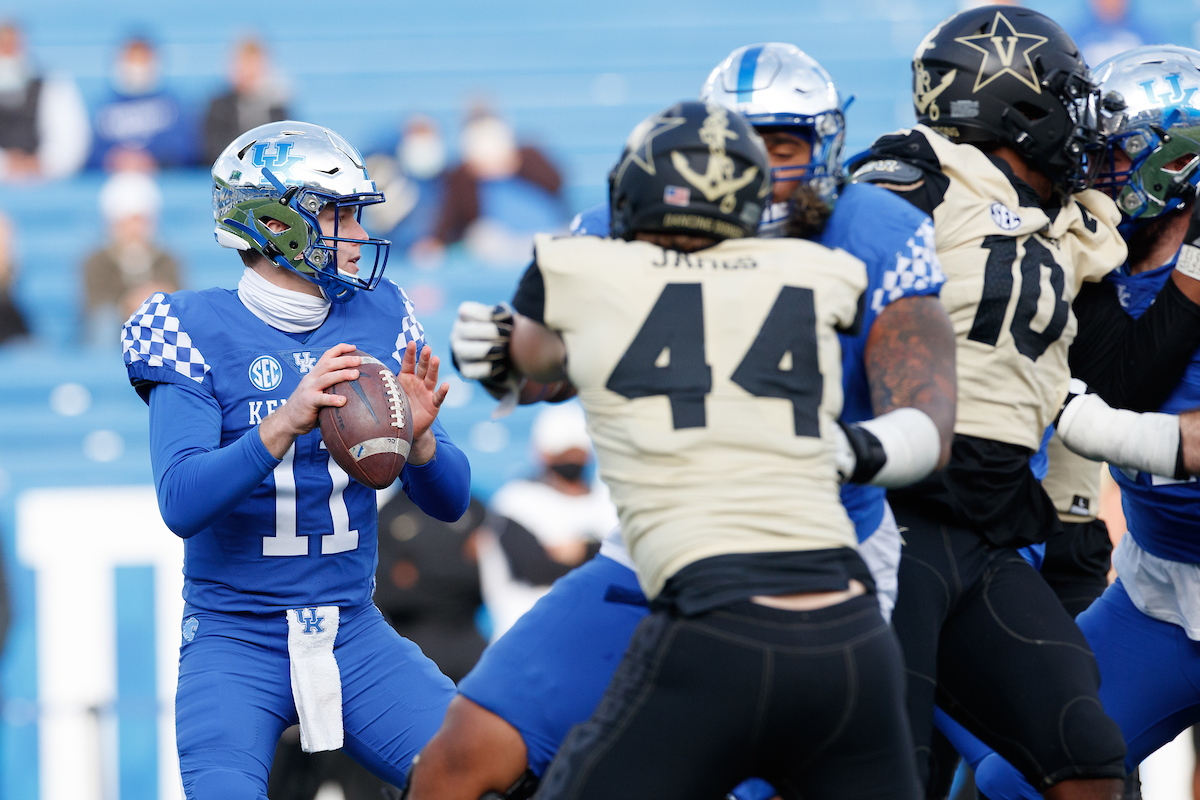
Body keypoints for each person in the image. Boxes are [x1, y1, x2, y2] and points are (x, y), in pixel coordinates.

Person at [411, 44, 956, 800]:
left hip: (821, 556)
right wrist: (517, 359)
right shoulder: (648, 228)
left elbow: (926, 414)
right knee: (460, 755)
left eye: (783, 146)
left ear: (825, 148)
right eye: (737, 144)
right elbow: (551, 368)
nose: (752, 173)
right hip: (658, 545)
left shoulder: (864, 233)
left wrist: (844, 448)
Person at [847, 7, 1200, 798]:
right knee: (967, 770)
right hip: (1132, 586)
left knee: (1065, 757)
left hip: (1044, 541)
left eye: (1120, 151)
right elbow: (1112, 377)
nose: (1096, 160)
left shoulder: (1080, 230)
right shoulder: (950, 194)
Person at [120, 120, 471, 799]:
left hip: (354, 631)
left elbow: (450, 500)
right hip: (234, 641)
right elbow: (181, 501)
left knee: (483, 779)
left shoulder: (382, 315)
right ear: (278, 224)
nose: (361, 235)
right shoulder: (189, 327)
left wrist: (422, 441)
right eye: (340, 215)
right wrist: (283, 421)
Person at [476, 402, 618, 639]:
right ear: (544, 453)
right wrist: (597, 551)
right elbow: (536, 568)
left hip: (600, 634)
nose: (572, 459)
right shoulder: (516, 501)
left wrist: (581, 550)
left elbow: (627, 563)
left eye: (577, 451)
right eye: (564, 452)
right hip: (528, 635)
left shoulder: (608, 500)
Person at [411, 111, 564, 267]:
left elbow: (557, 184)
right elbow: (451, 214)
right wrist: (436, 241)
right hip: (500, 245)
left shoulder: (530, 156)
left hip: (547, 234)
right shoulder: (463, 176)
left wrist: (514, 165)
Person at [82, 170, 182, 345]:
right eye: (126, 222)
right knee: (104, 322)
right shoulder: (96, 260)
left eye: (139, 221)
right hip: (115, 326)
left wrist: (154, 299)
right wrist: (129, 304)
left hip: (157, 325)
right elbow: (94, 303)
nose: (133, 229)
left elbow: (180, 297)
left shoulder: (167, 258)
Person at [90, 35, 195, 171]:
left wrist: (154, 158)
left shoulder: (170, 105)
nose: (137, 67)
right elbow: (92, 152)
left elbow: (185, 148)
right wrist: (113, 159)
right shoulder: (105, 108)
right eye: (132, 60)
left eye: (142, 60)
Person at [0, 21, 89, 181]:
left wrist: (42, 162)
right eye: (2, 45)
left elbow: (71, 140)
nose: (7, 52)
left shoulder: (53, 84)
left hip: (46, 183)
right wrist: (7, 165)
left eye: (11, 45)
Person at [362, 115, 449, 253]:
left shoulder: (442, 182)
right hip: (380, 254)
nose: (424, 146)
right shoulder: (386, 172)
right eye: (418, 138)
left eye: (428, 138)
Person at [201, 38, 288, 165]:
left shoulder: (276, 107)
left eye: (255, 65)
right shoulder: (219, 107)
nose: (250, 72)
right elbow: (213, 148)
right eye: (245, 65)